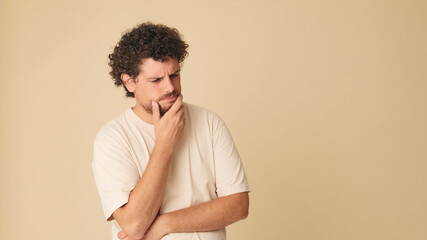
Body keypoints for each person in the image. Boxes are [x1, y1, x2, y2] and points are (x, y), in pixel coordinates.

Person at [92, 22, 250, 240]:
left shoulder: (209, 123)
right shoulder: (112, 138)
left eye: (174, 75)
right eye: (156, 80)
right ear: (129, 82)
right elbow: (134, 225)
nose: (170, 87)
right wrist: (164, 144)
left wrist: (163, 224)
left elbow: (238, 205)